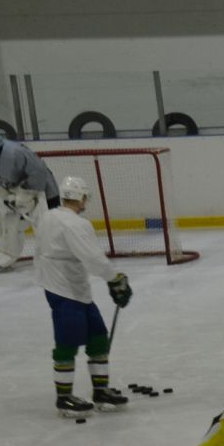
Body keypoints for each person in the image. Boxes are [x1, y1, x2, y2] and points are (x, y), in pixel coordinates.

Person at [34, 176, 132, 416]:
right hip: (64, 289)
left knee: (98, 336)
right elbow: (93, 258)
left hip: (71, 287)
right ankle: (64, 398)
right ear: (81, 197)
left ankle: (100, 391)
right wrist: (115, 279)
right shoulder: (76, 225)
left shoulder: (48, 216)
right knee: (67, 342)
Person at [0, 129, 61, 272]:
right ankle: (5, 254)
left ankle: (58, 257)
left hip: (43, 192)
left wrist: (23, 195)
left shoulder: (15, 152)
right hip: (16, 194)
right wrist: (8, 196)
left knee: (48, 226)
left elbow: (39, 172)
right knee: (7, 223)